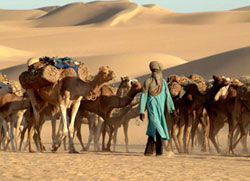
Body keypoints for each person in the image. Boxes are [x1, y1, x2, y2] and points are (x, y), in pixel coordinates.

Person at [139, 61, 175, 156]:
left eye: (156, 70)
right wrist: (141, 111)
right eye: (153, 70)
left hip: (161, 110)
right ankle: (165, 140)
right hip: (152, 108)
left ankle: (152, 152)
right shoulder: (148, 82)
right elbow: (143, 97)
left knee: (153, 128)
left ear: (159, 70)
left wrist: (172, 109)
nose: (155, 72)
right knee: (156, 124)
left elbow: (168, 96)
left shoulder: (163, 82)